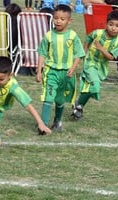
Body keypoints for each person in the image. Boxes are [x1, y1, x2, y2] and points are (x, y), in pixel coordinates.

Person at [36, 4, 85, 132]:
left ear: (69, 21)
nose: (58, 21)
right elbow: (42, 53)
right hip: (51, 71)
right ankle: (44, 125)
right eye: (56, 18)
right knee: (48, 97)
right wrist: (39, 71)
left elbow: (79, 53)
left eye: (62, 19)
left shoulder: (72, 36)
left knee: (59, 99)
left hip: (66, 73)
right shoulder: (48, 36)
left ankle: (57, 121)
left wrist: (73, 68)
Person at [71, 10, 118, 120]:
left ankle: (79, 105)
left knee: (89, 88)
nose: (113, 28)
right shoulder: (97, 33)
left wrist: (100, 48)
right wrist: (84, 52)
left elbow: (111, 57)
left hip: (102, 66)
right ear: (106, 24)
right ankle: (79, 105)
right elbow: (88, 38)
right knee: (95, 86)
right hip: (90, 63)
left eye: (117, 26)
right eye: (111, 25)